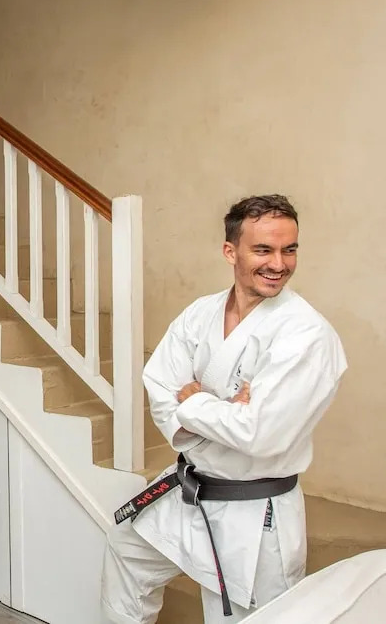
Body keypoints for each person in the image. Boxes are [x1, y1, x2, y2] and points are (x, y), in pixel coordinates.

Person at [101, 194, 347, 623]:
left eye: (289, 249)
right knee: (128, 551)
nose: (279, 264)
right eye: (264, 249)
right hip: (190, 487)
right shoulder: (201, 313)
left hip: (253, 510)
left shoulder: (306, 335)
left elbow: (260, 433)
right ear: (230, 251)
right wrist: (224, 410)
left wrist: (194, 400)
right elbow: (160, 384)